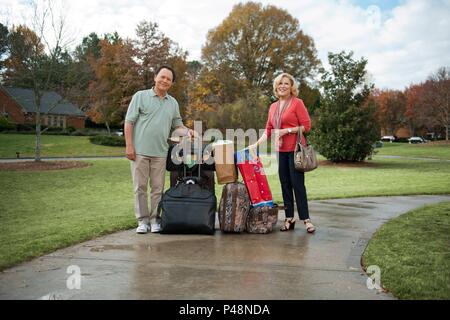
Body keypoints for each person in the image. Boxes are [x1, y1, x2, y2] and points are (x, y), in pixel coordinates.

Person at [125, 65, 194, 234]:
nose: (165, 81)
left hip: (160, 153)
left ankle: (155, 220)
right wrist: (129, 145)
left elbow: (177, 125)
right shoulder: (140, 96)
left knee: (157, 189)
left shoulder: (173, 103)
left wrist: (188, 131)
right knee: (140, 187)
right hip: (140, 151)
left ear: (171, 83)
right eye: (162, 77)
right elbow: (129, 122)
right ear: (155, 77)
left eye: (168, 79)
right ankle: (142, 221)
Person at [250, 73, 316, 233]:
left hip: (295, 151)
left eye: (286, 83)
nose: (283, 86)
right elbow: (269, 130)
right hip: (280, 151)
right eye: (280, 83)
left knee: (297, 185)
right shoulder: (273, 107)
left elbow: (306, 127)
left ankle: (306, 219)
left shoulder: (297, 103)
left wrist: (286, 130)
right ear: (276, 87)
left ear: (291, 87)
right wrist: (255, 144)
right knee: (285, 184)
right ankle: (289, 218)